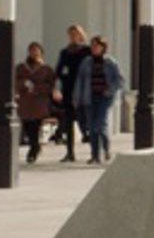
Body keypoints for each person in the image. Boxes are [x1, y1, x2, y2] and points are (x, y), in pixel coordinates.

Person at [74, 35, 124, 164]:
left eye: (97, 46)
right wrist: (77, 98)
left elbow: (119, 80)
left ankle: (106, 149)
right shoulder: (86, 62)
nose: (94, 48)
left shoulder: (110, 62)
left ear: (103, 47)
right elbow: (80, 80)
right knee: (91, 127)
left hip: (104, 98)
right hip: (89, 97)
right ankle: (94, 155)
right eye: (92, 45)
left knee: (100, 125)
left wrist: (109, 90)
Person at [52, 25, 90, 163]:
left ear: (81, 35)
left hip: (84, 89)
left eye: (76, 34)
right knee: (68, 121)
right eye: (71, 34)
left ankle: (96, 149)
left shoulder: (87, 51)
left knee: (85, 119)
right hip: (68, 88)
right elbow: (59, 70)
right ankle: (70, 152)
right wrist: (56, 86)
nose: (73, 36)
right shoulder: (65, 52)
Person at [16, 42, 55, 165]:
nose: (34, 53)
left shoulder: (46, 69)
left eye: (36, 50)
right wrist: (24, 84)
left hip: (39, 102)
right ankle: (34, 146)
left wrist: (37, 88)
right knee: (27, 125)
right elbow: (14, 81)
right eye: (31, 50)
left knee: (35, 125)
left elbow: (51, 86)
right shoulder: (21, 67)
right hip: (25, 101)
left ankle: (33, 149)